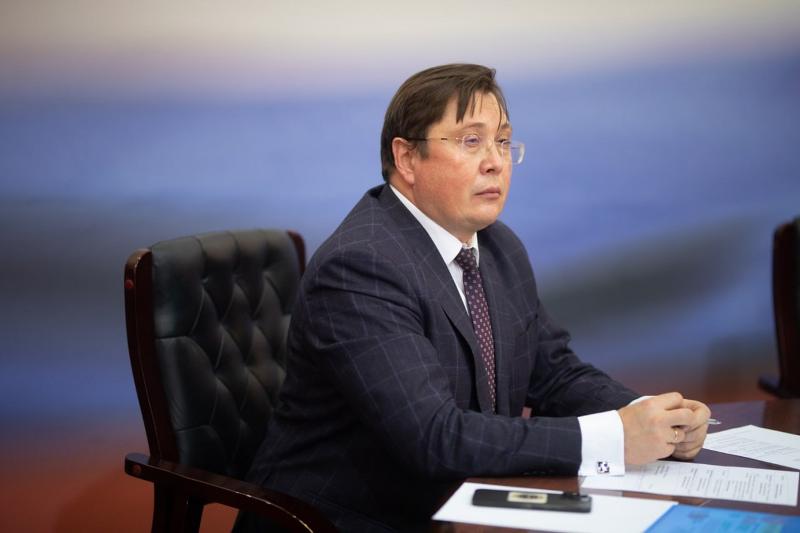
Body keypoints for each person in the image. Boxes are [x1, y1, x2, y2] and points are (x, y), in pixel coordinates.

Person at [240, 64, 710, 532]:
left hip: (457, 509)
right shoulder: (360, 268)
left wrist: (653, 416)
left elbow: (554, 373)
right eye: (471, 141)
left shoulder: (498, 247)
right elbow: (434, 436)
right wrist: (616, 439)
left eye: (502, 142)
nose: (495, 162)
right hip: (341, 522)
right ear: (407, 158)